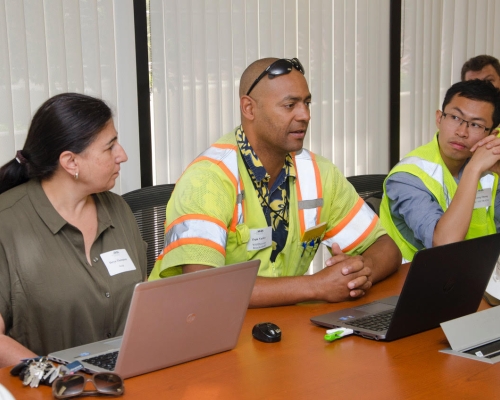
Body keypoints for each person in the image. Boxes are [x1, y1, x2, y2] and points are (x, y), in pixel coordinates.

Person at [149, 57, 401, 308]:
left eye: (307, 103)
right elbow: (201, 287)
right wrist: (316, 286)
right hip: (197, 333)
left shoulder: (319, 172)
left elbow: (387, 248)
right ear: (249, 109)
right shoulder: (207, 179)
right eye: (290, 105)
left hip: (281, 329)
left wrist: (359, 273)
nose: (305, 115)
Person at [0, 93, 147, 367]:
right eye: (110, 147)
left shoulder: (120, 210)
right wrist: (59, 378)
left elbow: (143, 303)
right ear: (71, 162)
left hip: (128, 379)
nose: (122, 155)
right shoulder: (6, 223)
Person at [380, 79, 500, 263]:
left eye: (476, 125)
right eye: (455, 118)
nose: (462, 132)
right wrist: (473, 170)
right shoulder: (407, 177)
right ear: (439, 118)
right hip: (416, 282)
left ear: (491, 135)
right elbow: (444, 245)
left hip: (479, 274)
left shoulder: (491, 170)